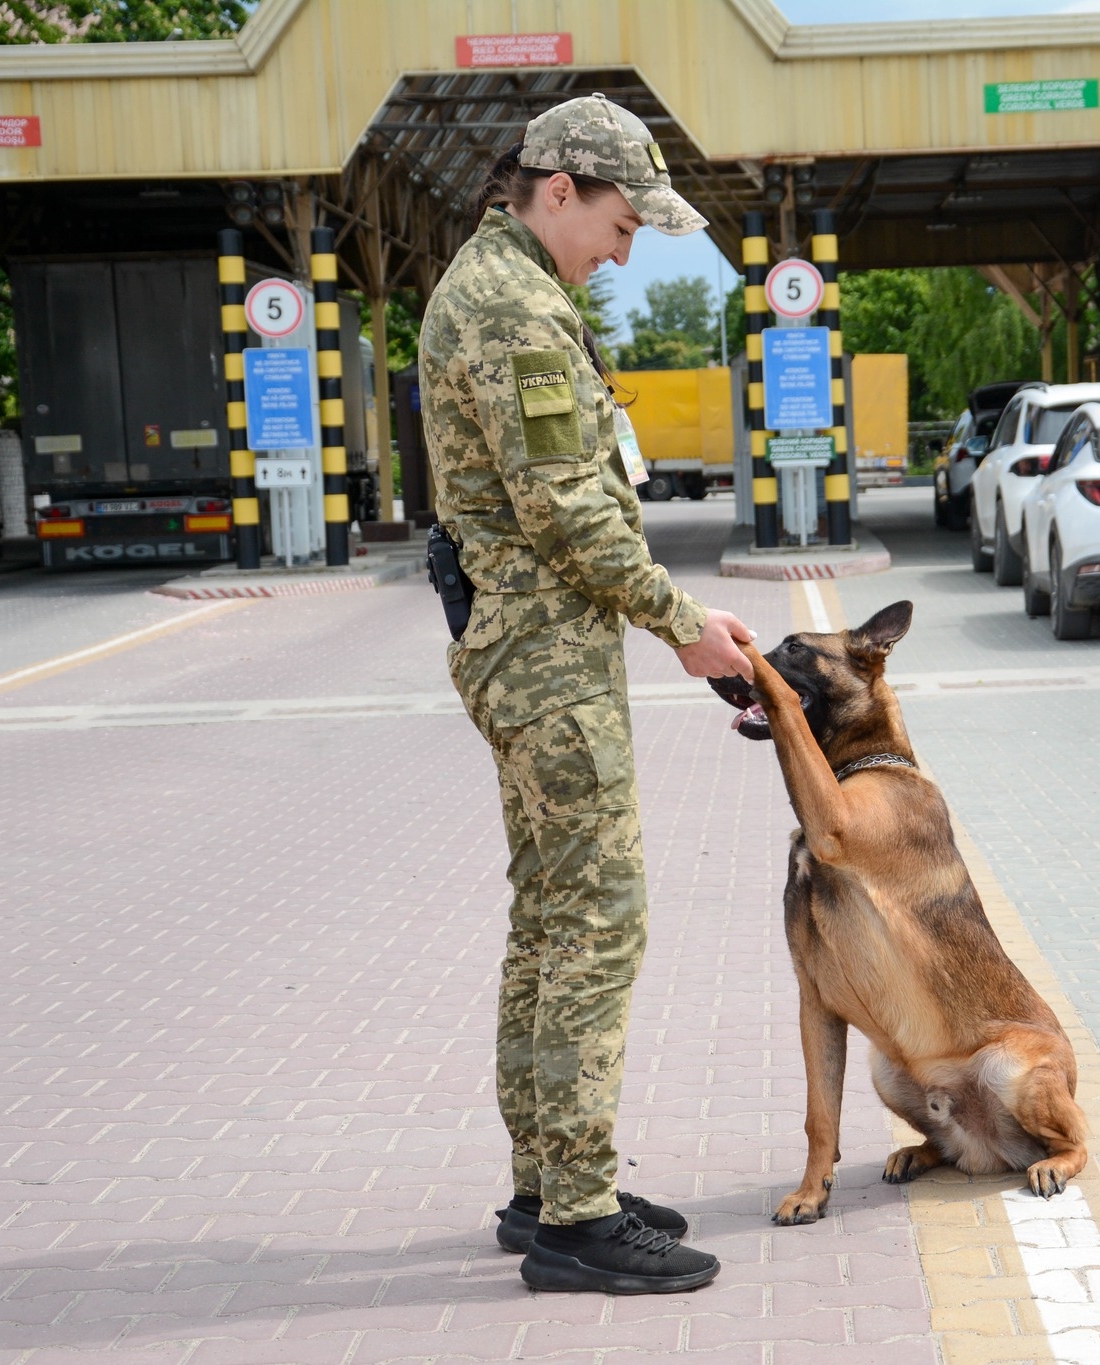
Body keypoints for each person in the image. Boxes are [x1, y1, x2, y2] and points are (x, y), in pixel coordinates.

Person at [418, 94, 753, 1296]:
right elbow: (568, 508)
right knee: (598, 919)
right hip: (545, 657)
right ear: (556, 189)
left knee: (550, 917)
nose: (625, 249)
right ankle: (576, 1212)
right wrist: (682, 626)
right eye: (619, 224)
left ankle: (546, 1182)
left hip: (531, 648)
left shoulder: (512, 285)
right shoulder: (509, 307)